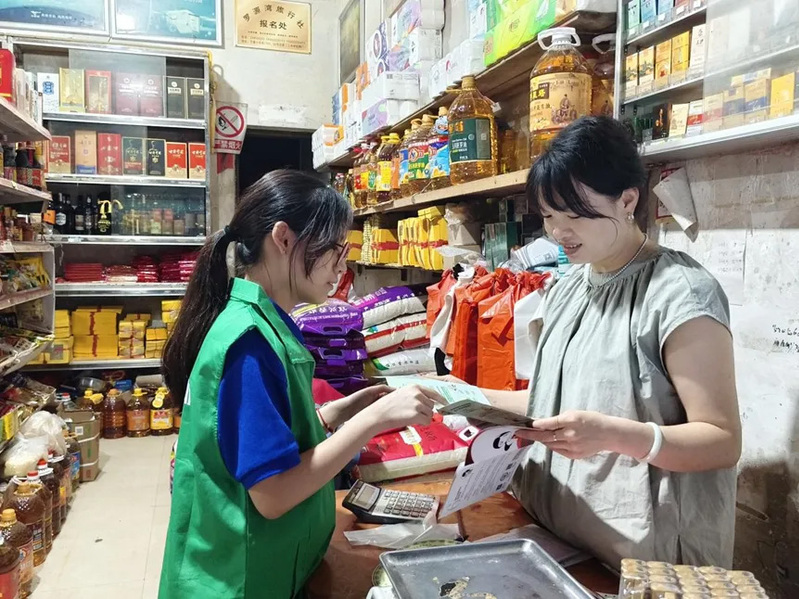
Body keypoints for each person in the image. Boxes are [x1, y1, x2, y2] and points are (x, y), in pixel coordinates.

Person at [442, 116, 741, 568]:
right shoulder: (567, 289)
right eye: (548, 216)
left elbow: (721, 441)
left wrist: (612, 435)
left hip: (641, 559)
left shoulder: (681, 294)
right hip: (556, 536)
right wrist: (463, 396)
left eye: (575, 215)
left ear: (627, 200)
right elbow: (551, 402)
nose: (558, 232)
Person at [159, 169, 442, 598]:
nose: (341, 266)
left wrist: (331, 415)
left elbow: (258, 433)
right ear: (284, 238)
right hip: (237, 583)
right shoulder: (249, 343)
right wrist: (371, 422)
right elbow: (273, 495)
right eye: (333, 249)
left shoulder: (261, 320)